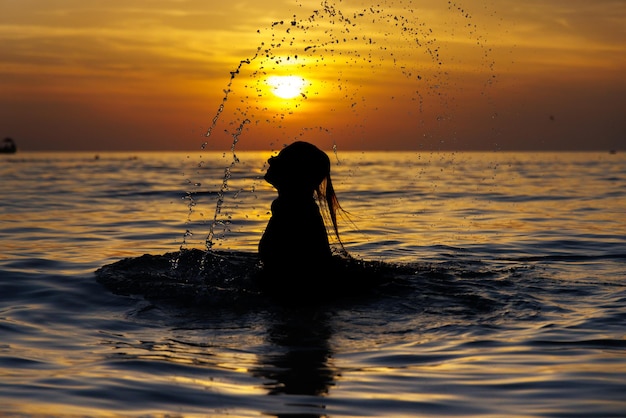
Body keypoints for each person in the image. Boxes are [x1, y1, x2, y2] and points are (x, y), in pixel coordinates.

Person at [257, 141, 346, 297]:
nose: (271, 160)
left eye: (281, 159)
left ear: (295, 172)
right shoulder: (293, 206)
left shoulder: (295, 210)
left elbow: (292, 273)